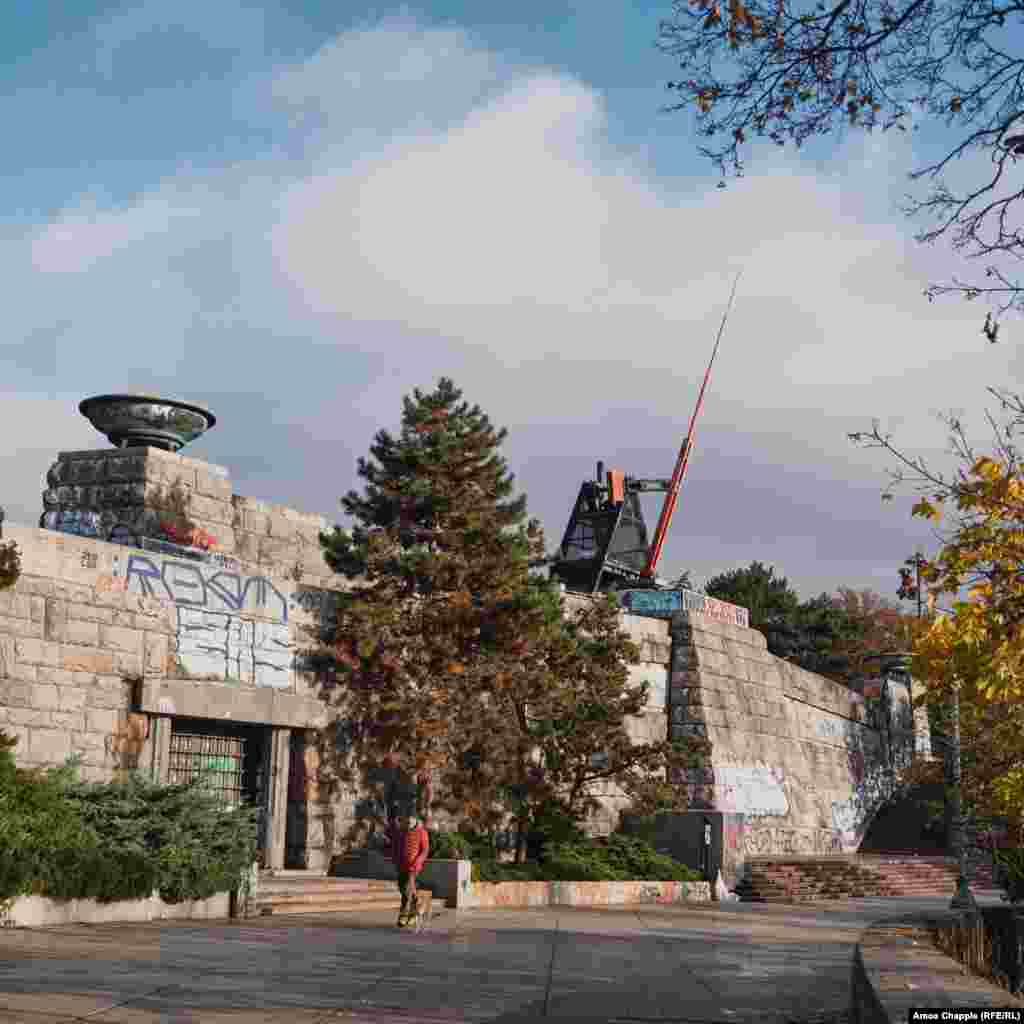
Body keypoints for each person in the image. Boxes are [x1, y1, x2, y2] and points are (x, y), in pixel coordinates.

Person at [387, 811, 429, 927]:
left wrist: (418, 862)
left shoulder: (422, 832)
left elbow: (425, 850)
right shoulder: (399, 832)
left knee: (406, 889)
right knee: (402, 886)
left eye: (411, 819)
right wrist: (395, 859)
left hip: (414, 867)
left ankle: (403, 914)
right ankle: (416, 908)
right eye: (406, 819)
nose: (409, 821)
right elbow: (395, 847)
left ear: (415, 820)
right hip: (401, 865)